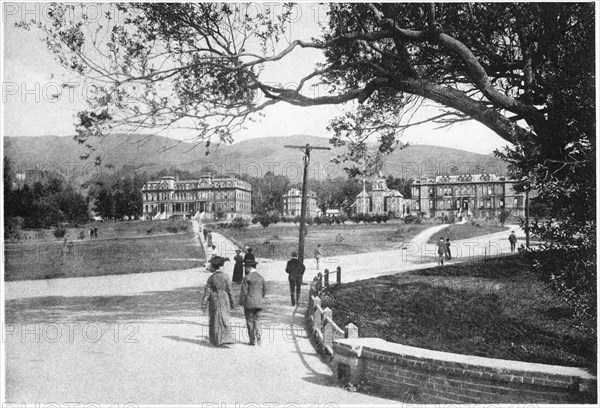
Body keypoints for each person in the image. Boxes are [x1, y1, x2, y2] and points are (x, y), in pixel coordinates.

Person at [201, 256, 235, 347]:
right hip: (224, 298)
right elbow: (230, 291)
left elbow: (207, 293)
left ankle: (216, 340)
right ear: (221, 266)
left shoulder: (211, 278)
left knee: (214, 319)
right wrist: (232, 302)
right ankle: (226, 338)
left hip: (214, 299)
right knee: (224, 317)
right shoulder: (226, 277)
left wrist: (204, 304)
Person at [239, 260, 266, 346]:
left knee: (250, 322)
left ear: (248, 267)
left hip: (249, 303)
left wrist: (241, 303)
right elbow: (264, 291)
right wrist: (260, 299)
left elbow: (244, 292)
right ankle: (258, 335)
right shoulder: (261, 277)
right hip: (259, 303)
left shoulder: (247, 278)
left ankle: (252, 340)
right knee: (257, 321)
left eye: (245, 268)